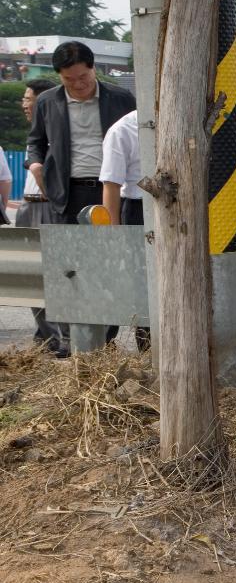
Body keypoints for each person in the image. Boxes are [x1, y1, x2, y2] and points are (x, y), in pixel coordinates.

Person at [26, 41, 136, 225]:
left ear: (93, 68)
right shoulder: (48, 102)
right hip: (67, 193)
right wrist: (36, 166)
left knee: (113, 249)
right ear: (59, 75)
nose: (78, 84)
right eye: (69, 79)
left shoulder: (121, 99)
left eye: (83, 76)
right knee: (69, 251)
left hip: (113, 188)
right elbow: (36, 141)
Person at [12, 79, 62, 355]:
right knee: (31, 276)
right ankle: (45, 333)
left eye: (28, 98)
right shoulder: (35, 133)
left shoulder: (57, 130)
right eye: (24, 98)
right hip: (29, 206)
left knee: (51, 275)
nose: (24, 104)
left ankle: (58, 337)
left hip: (47, 206)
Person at [98, 109, 151, 351]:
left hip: (176, 208)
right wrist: (114, 235)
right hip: (138, 209)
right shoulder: (123, 129)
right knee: (140, 283)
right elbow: (111, 184)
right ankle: (147, 349)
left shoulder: (182, 117)